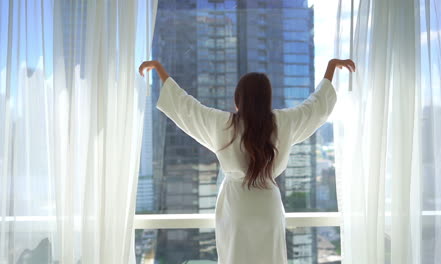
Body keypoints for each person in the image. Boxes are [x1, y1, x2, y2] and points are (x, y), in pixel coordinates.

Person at [138, 58, 355, 264]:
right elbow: (315, 108)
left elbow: (187, 109)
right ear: (267, 99)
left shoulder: (224, 124)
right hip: (268, 208)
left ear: (237, 100)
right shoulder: (283, 122)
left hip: (237, 209)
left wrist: (160, 70)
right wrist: (331, 68)